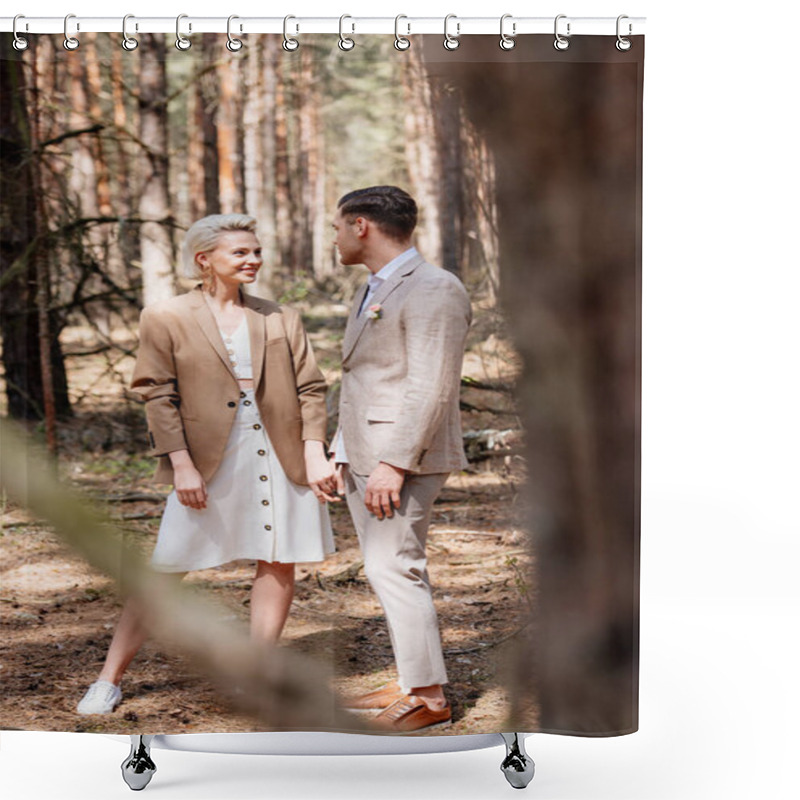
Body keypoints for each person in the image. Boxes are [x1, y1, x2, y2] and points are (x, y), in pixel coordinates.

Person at [77, 214, 338, 715]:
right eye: (241, 252)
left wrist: (313, 450)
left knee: (278, 556)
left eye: (256, 251)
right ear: (205, 260)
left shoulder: (279, 316)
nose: (253, 259)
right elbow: (156, 392)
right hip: (206, 457)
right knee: (167, 565)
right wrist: (181, 465)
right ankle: (108, 679)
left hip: (280, 452)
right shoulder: (166, 315)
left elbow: (310, 387)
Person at [330, 186, 471, 732]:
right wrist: (341, 450)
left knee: (396, 568)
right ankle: (413, 679)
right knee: (384, 568)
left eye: (337, 226)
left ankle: (430, 698)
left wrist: (394, 464)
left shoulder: (435, 288)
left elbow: (431, 386)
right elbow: (366, 378)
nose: (335, 237)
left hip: (401, 460)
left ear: (361, 225)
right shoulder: (375, 286)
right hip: (365, 452)